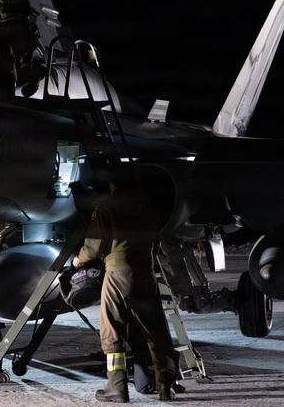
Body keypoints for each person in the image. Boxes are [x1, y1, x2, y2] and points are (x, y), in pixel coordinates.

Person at [72, 170, 179, 402]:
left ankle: (117, 387)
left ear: (113, 183)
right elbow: (157, 243)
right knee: (157, 331)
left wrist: (79, 259)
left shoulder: (108, 206)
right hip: (146, 273)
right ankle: (166, 386)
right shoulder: (150, 207)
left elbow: (94, 245)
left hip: (118, 273)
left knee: (112, 330)